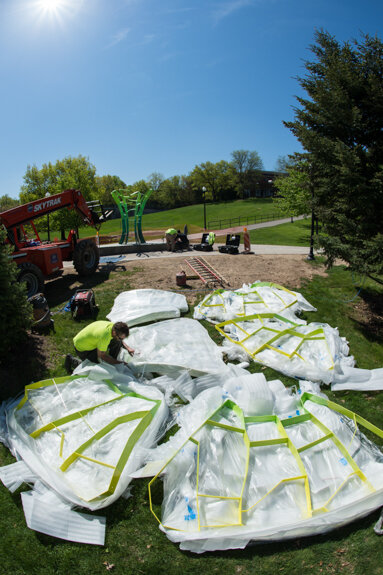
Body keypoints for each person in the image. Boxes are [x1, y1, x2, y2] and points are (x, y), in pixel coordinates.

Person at [65, 320, 134, 373]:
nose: (121, 340)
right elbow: (102, 356)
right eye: (121, 338)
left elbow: (118, 340)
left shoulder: (113, 327)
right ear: (114, 332)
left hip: (90, 340)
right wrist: (120, 363)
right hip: (83, 348)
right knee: (95, 368)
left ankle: (113, 361)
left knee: (117, 342)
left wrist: (128, 348)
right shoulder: (104, 337)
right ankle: (71, 360)